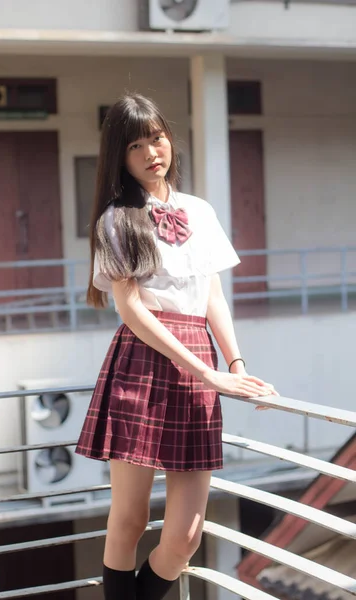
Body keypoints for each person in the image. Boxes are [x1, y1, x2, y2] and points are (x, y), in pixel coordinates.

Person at [75, 93, 278, 600]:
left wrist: (234, 363)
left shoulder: (199, 211)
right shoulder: (115, 220)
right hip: (143, 356)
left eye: (157, 138)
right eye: (136, 145)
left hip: (197, 353)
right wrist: (208, 373)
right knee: (130, 517)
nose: (151, 152)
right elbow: (132, 309)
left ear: (170, 140)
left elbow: (212, 295)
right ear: (119, 157)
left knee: (186, 534)